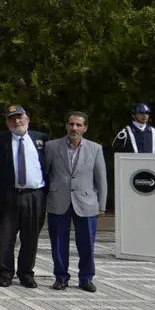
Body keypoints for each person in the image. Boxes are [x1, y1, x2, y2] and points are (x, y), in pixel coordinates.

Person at [0, 105, 49, 289]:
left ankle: (26, 273)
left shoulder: (41, 139)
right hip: (8, 195)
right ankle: (6, 273)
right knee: (7, 237)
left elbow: (49, 167)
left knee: (31, 238)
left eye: (20, 117)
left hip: (34, 195)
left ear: (27, 119)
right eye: (12, 118)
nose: (16, 121)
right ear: (7, 122)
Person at [44, 111, 108, 293]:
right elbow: (45, 175)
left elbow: (101, 179)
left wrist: (101, 205)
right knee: (58, 242)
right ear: (66, 125)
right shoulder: (52, 147)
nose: (74, 128)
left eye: (79, 125)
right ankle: (61, 277)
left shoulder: (95, 149)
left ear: (85, 128)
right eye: (71, 124)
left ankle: (86, 278)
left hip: (86, 203)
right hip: (58, 201)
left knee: (87, 243)